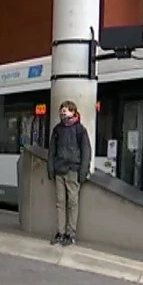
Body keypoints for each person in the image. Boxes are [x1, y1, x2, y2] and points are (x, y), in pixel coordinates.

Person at [47, 100, 91, 246]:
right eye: (62, 109)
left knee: (72, 202)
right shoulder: (57, 130)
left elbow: (86, 151)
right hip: (60, 169)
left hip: (73, 170)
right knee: (60, 202)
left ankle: (70, 234)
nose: (63, 112)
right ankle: (60, 232)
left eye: (66, 109)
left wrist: (83, 171)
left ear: (73, 111)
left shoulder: (80, 130)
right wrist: (50, 168)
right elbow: (52, 150)